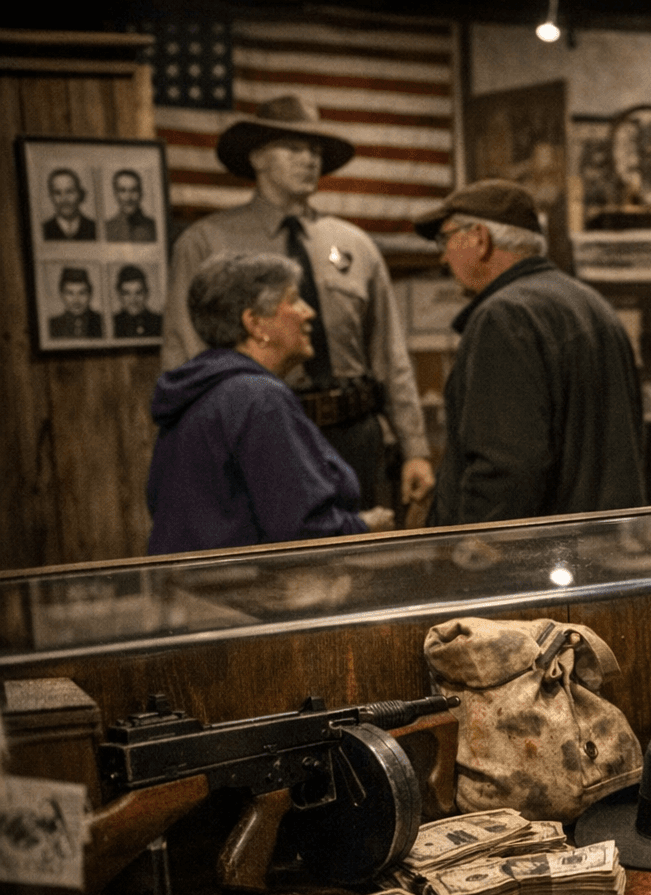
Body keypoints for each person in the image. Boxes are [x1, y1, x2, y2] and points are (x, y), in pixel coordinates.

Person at [161, 94, 433, 515]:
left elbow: (389, 355)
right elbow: (184, 355)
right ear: (257, 158)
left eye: (316, 151)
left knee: (359, 560)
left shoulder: (353, 245)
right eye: (294, 148)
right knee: (276, 562)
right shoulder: (208, 243)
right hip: (261, 435)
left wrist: (415, 447)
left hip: (352, 433)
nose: (309, 160)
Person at [412, 178, 645, 524]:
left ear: (479, 238)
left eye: (446, 239)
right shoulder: (592, 304)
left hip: (545, 563)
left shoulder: (504, 317)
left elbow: (505, 470)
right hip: (606, 551)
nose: (444, 257)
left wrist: (470, 558)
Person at [146, 252, 391, 555]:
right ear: (255, 324)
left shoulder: (203, 390)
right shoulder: (258, 399)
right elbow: (302, 530)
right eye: (294, 300)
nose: (309, 312)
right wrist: (366, 526)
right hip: (239, 592)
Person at [41, 168, 95, 241]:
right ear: (51, 197)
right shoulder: (42, 231)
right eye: (57, 193)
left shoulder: (95, 229)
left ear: (79, 194)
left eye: (69, 192)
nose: (64, 199)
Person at [103, 169, 157, 242]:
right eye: (122, 190)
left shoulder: (154, 228)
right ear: (116, 195)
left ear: (141, 193)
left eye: (134, 190)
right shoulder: (106, 229)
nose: (128, 197)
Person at [48, 267, 102, 339]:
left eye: (82, 293)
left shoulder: (102, 322)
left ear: (90, 294)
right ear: (61, 294)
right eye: (70, 293)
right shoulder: (51, 325)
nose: (76, 300)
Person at [112, 264, 162, 338]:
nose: (133, 299)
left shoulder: (160, 322)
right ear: (119, 295)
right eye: (126, 293)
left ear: (146, 293)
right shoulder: (113, 323)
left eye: (138, 293)